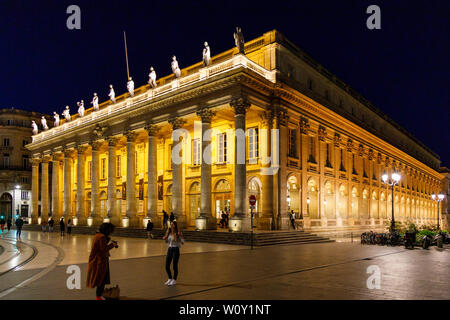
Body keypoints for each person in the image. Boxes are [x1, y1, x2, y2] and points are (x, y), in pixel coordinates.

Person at [86, 223, 119, 300]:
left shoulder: (98, 236)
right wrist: (112, 245)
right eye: (110, 231)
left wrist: (108, 240)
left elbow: (100, 246)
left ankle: (99, 296)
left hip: (99, 260)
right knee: (101, 280)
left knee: (101, 280)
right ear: (107, 230)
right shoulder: (101, 237)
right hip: (99, 262)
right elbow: (103, 249)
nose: (111, 232)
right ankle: (98, 297)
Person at [162, 221, 184, 286]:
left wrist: (180, 236)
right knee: (167, 266)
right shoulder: (168, 233)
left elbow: (182, 242)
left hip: (176, 249)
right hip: (169, 249)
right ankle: (169, 278)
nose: (171, 225)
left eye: (172, 224)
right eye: (170, 224)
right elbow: (167, 242)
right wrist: (165, 239)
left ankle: (174, 280)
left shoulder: (178, 233)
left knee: (174, 265)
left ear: (175, 225)